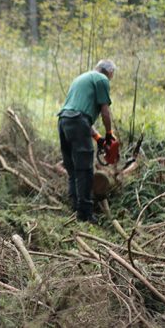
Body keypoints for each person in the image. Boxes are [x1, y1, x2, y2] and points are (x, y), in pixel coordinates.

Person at [57, 59, 116, 224]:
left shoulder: (81, 78)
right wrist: (109, 133)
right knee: (85, 169)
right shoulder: (102, 79)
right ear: (109, 72)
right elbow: (105, 111)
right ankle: (85, 214)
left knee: (72, 167)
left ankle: (75, 207)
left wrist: (98, 138)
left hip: (63, 120)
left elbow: (78, 113)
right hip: (77, 121)